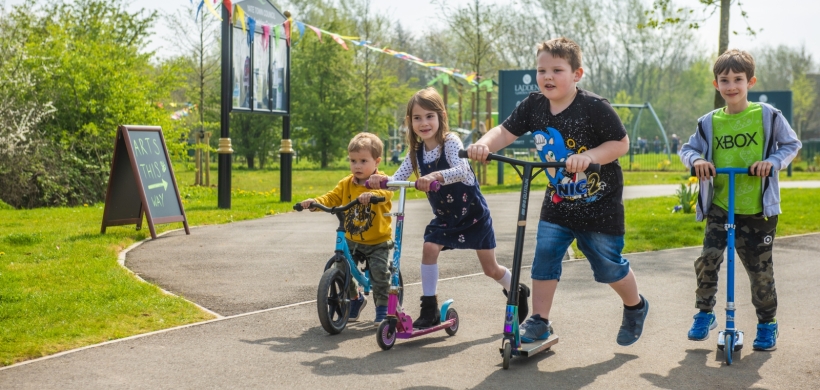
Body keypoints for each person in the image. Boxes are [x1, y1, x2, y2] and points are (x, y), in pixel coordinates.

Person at [465, 37, 649, 346]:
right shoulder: (533, 105)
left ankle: (635, 306)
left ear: (577, 74)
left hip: (599, 204)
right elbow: (504, 132)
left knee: (608, 265)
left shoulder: (593, 107)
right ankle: (539, 320)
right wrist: (484, 144)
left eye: (557, 70)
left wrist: (589, 157)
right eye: (541, 70)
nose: (547, 77)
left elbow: (621, 144)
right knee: (546, 254)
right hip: (559, 202)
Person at [368, 87, 530, 329]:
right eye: (417, 118)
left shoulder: (451, 142)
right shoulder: (415, 153)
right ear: (410, 122)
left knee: (491, 269)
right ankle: (429, 307)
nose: (424, 123)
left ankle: (516, 290)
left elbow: (462, 170)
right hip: (445, 218)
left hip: (473, 215)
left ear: (441, 116)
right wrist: (379, 181)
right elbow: (397, 179)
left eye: (429, 116)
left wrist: (435, 175)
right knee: (429, 248)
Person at [679, 48, 801, 350]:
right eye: (724, 80)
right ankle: (704, 313)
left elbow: (791, 144)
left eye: (738, 79)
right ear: (715, 85)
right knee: (709, 258)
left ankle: (767, 323)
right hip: (721, 204)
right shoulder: (708, 122)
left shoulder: (768, 116)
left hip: (757, 209)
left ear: (751, 82)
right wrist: (696, 161)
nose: (731, 86)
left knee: (760, 271)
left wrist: (772, 162)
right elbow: (687, 149)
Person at [299, 133, 394, 323]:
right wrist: (315, 202)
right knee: (341, 267)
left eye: (363, 161)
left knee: (380, 274)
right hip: (352, 240)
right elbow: (331, 198)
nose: (357, 166)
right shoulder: (346, 184)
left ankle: (383, 307)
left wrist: (373, 193)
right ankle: (355, 298)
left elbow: (387, 192)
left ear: (377, 161)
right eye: (353, 160)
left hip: (377, 242)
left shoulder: (382, 180)